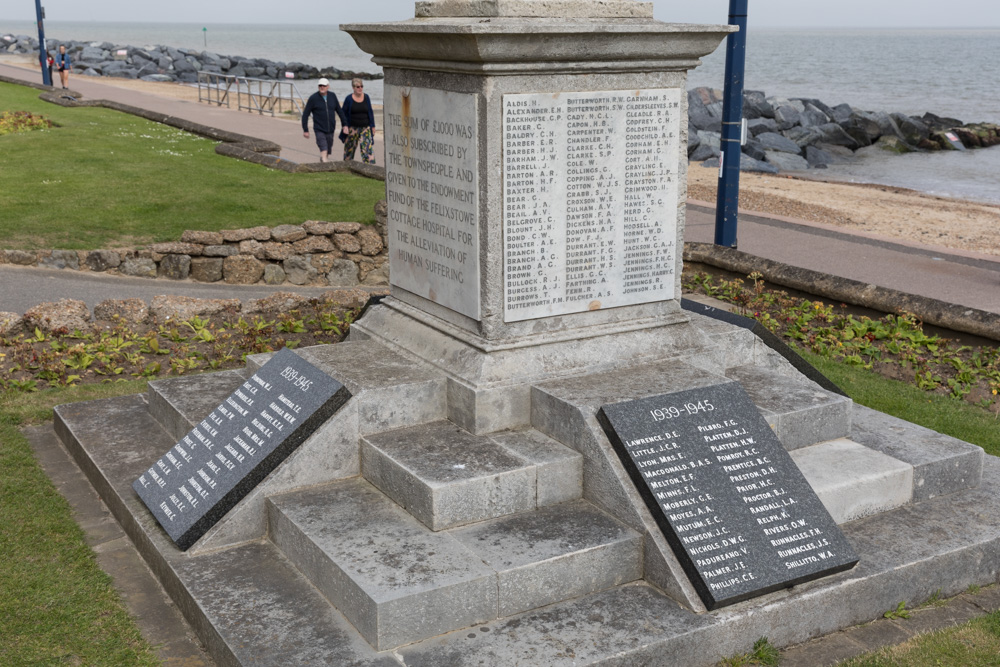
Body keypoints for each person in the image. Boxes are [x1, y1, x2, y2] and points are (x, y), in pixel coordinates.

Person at [301, 78, 346, 163]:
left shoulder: (332, 96)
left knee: (328, 149)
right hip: (319, 128)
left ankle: (323, 160)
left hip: (331, 129)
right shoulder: (313, 98)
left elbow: (340, 111)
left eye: (324, 86)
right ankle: (325, 162)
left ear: (328, 86)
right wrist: (305, 130)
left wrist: (345, 125)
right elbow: (305, 114)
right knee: (323, 146)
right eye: (320, 85)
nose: (322, 87)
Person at [342, 79, 376, 164]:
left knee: (367, 148)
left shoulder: (366, 97)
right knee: (349, 149)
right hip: (352, 128)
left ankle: (370, 167)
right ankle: (347, 166)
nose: (360, 88)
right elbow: (343, 114)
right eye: (358, 87)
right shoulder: (349, 99)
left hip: (365, 127)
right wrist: (345, 126)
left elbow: (370, 112)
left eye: (361, 86)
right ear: (353, 88)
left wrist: (373, 126)